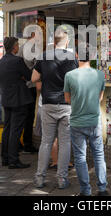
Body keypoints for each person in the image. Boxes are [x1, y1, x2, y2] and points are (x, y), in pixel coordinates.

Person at [32, 27, 78, 189]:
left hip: (48, 103)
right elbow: (75, 82)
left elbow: (34, 78)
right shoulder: (71, 58)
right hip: (66, 105)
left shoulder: (44, 56)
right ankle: (62, 179)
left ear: (54, 41)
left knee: (46, 142)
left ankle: (40, 178)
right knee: (65, 143)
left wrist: (48, 80)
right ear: (66, 41)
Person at [64, 46, 108, 196]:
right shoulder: (100, 75)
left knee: (80, 157)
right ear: (93, 56)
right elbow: (100, 98)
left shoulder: (69, 75)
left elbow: (67, 99)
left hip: (77, 121)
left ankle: (85, 191)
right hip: (94, 121)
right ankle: (102, 189)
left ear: (77, 55)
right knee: (99, 155)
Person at [0, 37, 34, 169]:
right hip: (19, 99)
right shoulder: (18, 61)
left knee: (8, 128)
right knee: (16, 130)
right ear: (14, 47)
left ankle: (5, 157)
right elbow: (29, 75)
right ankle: (14, 159)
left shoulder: (2, 61)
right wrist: (22, 77)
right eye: (17, 45)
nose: (18, 47)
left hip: (7, 99)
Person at [17, 31, 39, 153]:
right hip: (30, 86)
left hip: (22, 86)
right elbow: (38, 68)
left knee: (22, 115)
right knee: (29, 116)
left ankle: (18, 142)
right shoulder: (33, 50)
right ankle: (27, 143)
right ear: (33, 36)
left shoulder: (20, 48)